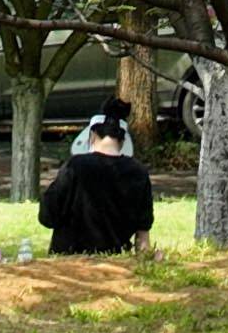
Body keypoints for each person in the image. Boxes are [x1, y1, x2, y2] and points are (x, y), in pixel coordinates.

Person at [40, 105, 155, 257]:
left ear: (93, 135)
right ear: (122, 140)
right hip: (115, 264)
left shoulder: (76, 166)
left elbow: (47, 216)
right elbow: (143, 237)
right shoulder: (139, 173)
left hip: (69, 261)